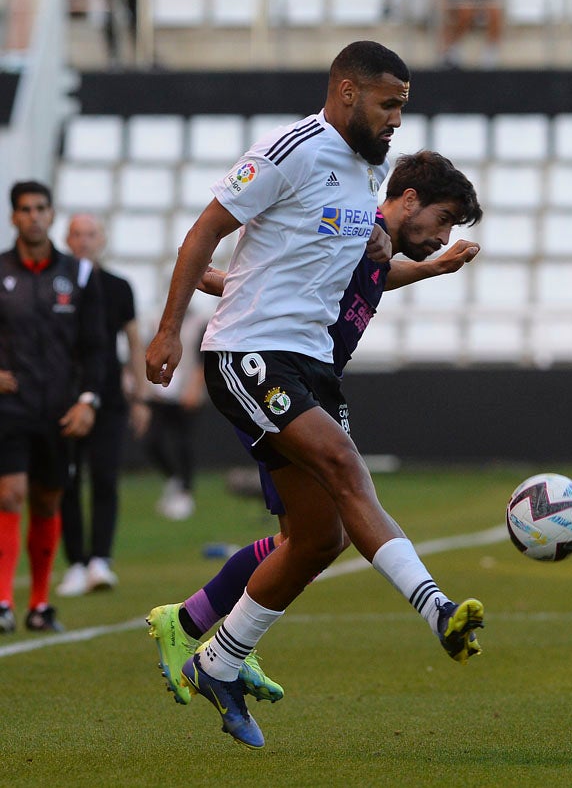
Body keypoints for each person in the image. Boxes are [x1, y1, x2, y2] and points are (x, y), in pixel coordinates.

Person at [144, 42, 486, 749]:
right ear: (347, 91)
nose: (397, 121)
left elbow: (348, 268)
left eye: (402, 106)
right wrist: (168, 331)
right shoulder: (291, 148)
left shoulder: (366, 181)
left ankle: (218, 655)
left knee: (317, 537)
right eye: (389, 104)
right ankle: (438, 609)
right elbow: (206, 233)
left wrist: (426, 264)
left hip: (311, 369)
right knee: (346, 470)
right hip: (251, 354)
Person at [0, 181, 106, 633]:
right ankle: (3, 601)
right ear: (13, 218)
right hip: (10, 405)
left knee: (47, 501)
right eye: (25, 209)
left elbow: (97, 347)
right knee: (9, 494)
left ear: (52, 214)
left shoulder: (79, 275)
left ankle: (39, 604)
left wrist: (88, 400)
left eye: (42, 208)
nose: (34, 216)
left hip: (61, 408)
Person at [56, 214, 151, 596]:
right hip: (62, 394)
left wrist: (141, 396)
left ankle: (100, 560)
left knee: (105, 476)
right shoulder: (56, 284)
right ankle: (76, 562)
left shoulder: (117, 287)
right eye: (77, 234)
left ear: (103, 239)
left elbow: (132, 340)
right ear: (67, 239)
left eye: (91, 234)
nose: (84, 241)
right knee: (65, 480)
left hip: (109, 395)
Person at [144, 311, 205, 521]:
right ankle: (174, 480)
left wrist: (196, 387)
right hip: (162, 393)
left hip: (185, 391)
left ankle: (185, 492)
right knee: (152, 440)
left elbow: (202, 358)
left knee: (183, 443)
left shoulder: (199, 322)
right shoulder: (157, 321)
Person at [439, 0, 503, 68]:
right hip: (457, 5)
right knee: (465, 9)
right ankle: (453, 51)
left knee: (494, 9)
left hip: (480, 5)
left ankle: (490, 54)